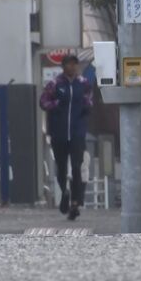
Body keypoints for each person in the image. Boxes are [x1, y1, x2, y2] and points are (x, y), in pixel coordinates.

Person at [40, 54, 93, 220]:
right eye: (68, 64)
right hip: (59, 133)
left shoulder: (83, 84)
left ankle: (75, 202)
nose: (72, 67)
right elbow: (43, 102)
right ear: (63, 67)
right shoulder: (55, 84)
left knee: (77, 166)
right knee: (61, 167)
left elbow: (89, 102)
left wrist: (85, 108)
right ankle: (65, 192)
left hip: (77, 132)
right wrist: (56, 104)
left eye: (74, 64)